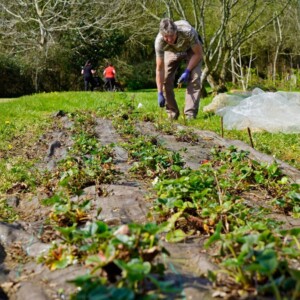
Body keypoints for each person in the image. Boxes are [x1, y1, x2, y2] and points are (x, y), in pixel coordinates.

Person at [155, 18, 203, 120]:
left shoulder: (188, 32)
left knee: (195, 78)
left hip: (191, 49)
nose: (169, 39)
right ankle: (172, 112)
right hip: (171, 51)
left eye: (171, 36)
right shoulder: (159, 42)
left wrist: (187, 71)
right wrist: (159, 92)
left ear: (176, 31)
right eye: (166, 37)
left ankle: (190, 114)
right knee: (166, 80)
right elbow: (160, 69)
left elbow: (198, 54)